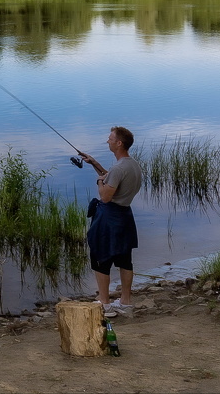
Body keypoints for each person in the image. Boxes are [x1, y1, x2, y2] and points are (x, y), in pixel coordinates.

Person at [78, 126, 143, 318]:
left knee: (101, 258)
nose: (108, 141)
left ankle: (104, 303)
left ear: (119, 143)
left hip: (109, 218)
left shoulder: (118, 168)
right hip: (125, 216)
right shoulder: (132, 165)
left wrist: (99, 182)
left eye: (110, 138)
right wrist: (94, 163)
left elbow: (106, 196)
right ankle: (125, 301)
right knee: (124, 259)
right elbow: (113, 177)